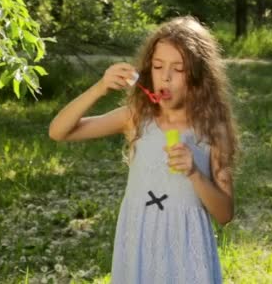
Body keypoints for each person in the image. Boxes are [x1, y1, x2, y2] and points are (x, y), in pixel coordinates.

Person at [48, 16, 238, 283]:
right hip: (139, 240)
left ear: (198, 75)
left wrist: (194, 172)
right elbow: (58, 131)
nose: (166, 77)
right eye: (158, 66)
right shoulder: (136, 117)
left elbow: (225, 214)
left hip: (187, 247)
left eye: (179, 69)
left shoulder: (213, 131)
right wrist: (100, 88)